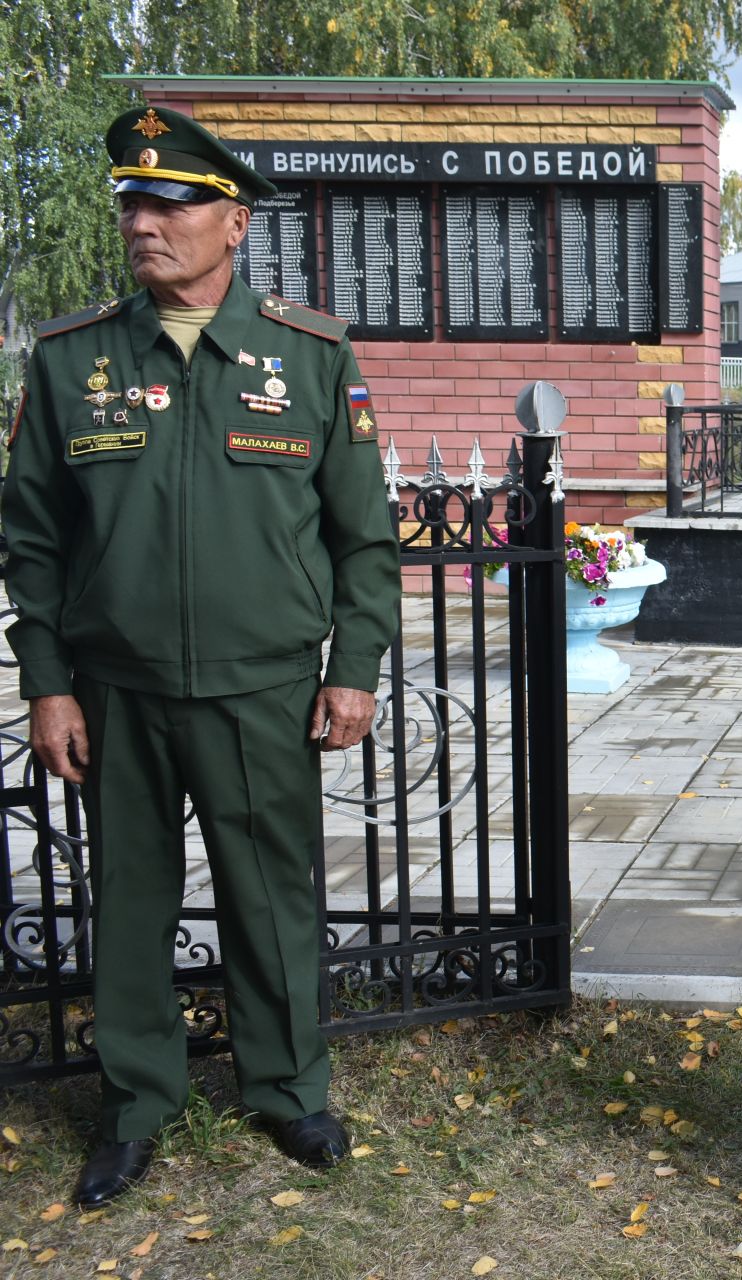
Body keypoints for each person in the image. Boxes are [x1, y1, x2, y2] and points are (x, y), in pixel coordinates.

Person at [3, 105, 400, 1206]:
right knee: (129, 898)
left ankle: (285, 1087)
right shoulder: (78, 356)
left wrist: (354, 663)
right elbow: (32, 537)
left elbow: (361, 533)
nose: (145, 222)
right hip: (115, 689)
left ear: (234, 225)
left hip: (263, 683)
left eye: (171, 202)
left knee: (270, 895)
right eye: (133, 201)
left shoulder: (309, 356)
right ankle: (136, 1103)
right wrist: (45, 681)